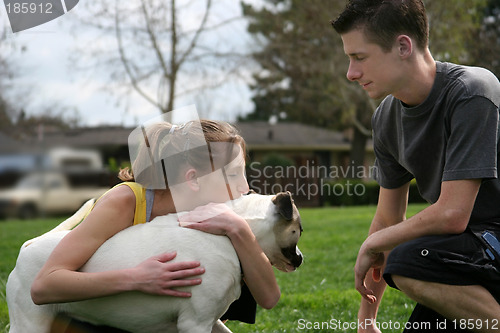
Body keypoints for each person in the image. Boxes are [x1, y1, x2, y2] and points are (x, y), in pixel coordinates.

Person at [331, 1, 500, 332]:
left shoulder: (472, 92)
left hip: (487, 243)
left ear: (403, 46)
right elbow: (387, 219)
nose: (350, 73)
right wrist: (367, 319)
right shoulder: (386, 119)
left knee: (405, 260)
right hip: (464, 259)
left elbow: (452, 215)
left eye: (360, 57)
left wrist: (374, 244)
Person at [31, 118, 280, 332]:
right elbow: (43, 286)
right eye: (234, 174)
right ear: (193, 179)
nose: (246, 188)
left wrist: (238, 229)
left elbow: (269, 298)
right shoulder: (125, 203)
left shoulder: (221, 213)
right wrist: (136, 278)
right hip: (89, 312)